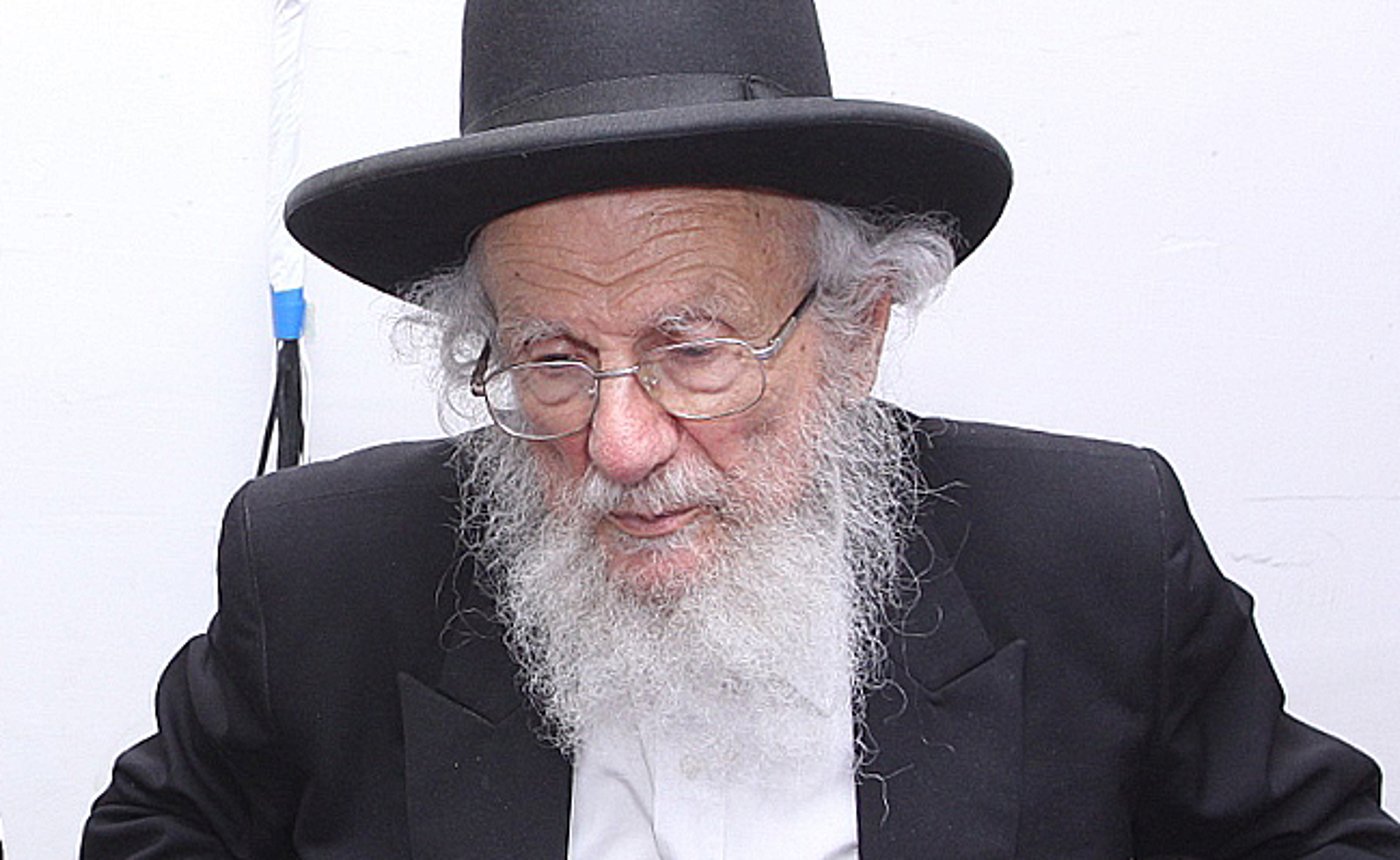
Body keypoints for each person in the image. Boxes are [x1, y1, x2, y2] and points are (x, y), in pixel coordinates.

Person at [83, 1, 1400, 857]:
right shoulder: (320, 569)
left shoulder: (1095, 552)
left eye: (694, 352)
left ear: (857, 329)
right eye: (552, 359)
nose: (619, 446)